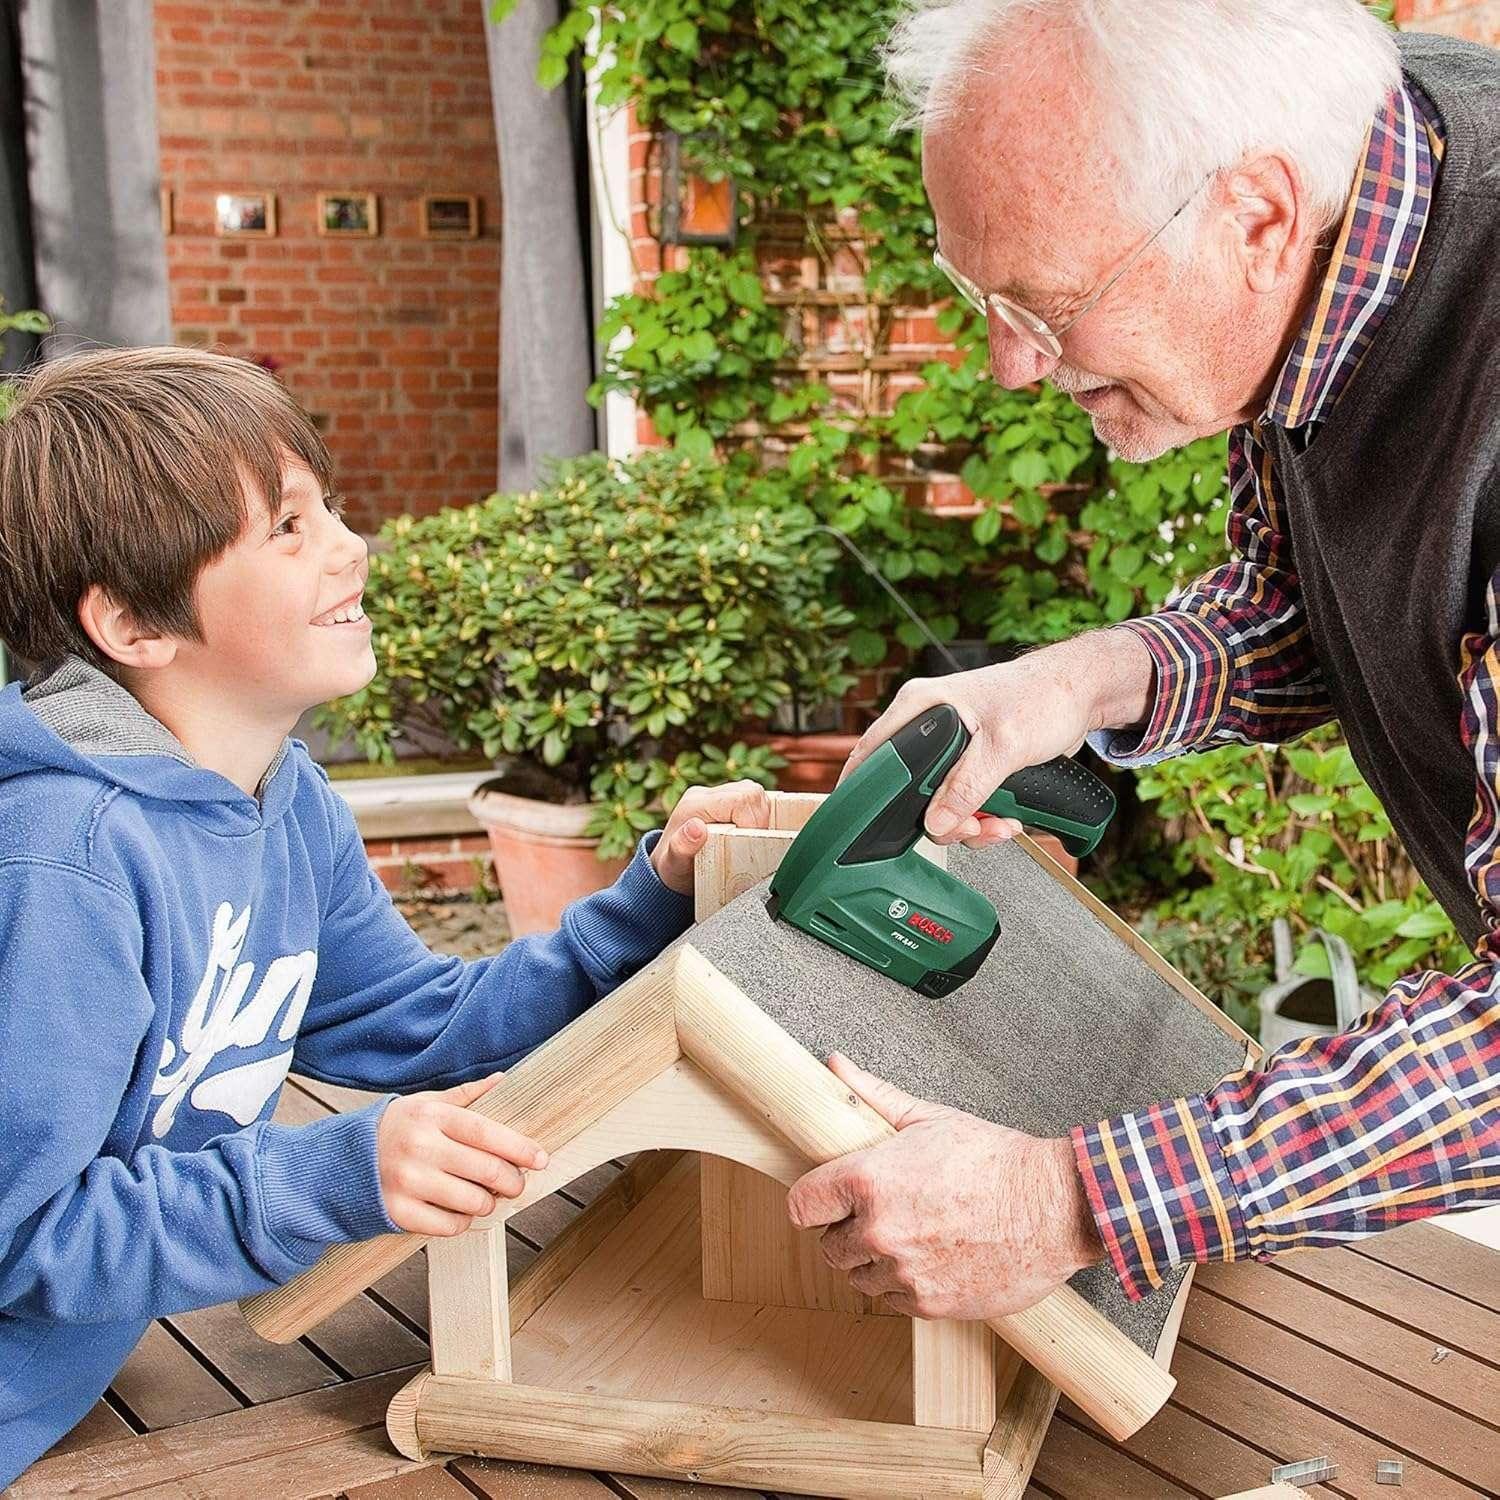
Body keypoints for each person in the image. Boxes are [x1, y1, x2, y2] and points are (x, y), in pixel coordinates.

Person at [784, 0, 1500, 1324]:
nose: (1009, 367)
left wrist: (1074, 1200)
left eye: (1046, 304)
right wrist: (1075, 686)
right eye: (978, 297)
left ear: (1258, 220)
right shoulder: (1356, 178)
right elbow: (1326, 598)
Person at [0, 346, 773, 1482]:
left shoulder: (284, 797)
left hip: (67, 1392)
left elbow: (415, 1022)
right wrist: (330, 1176)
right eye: (287, 529)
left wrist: (650, 898)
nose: (352, 546)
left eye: (332, 508)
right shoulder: (65, 867)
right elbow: (24, 1233)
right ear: (132, 625)